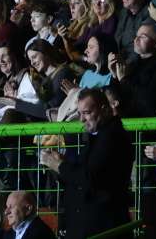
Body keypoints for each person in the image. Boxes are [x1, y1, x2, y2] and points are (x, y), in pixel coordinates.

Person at [40, 88, 133, 237]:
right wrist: (62, 163)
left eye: (87, 113)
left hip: (103, 226)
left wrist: (59, 165)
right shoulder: (98, 135)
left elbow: (89, 177)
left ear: (104, 109)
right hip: (90, 224)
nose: (82, 119)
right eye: (80, 113)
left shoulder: (112, 137)